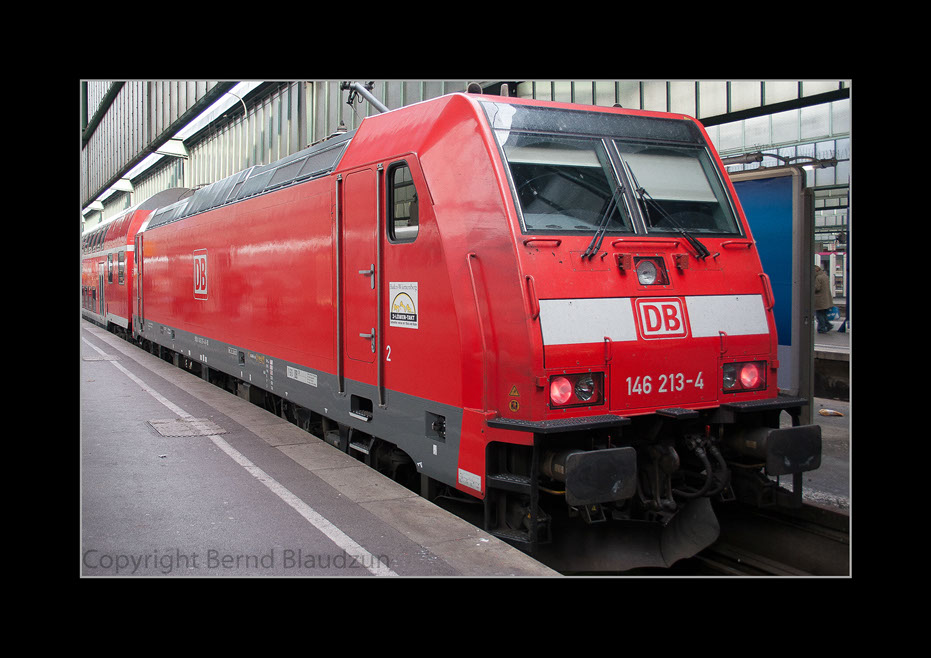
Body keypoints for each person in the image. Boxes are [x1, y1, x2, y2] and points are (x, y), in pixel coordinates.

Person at [814, 265, 833, 333]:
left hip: (820, 299)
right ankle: (828, 325)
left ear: (816, 270)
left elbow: (817, 288)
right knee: (823, 314)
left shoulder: (818, 277)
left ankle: (822, 328)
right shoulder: (825, 276)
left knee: (819, 315)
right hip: (825, 299)